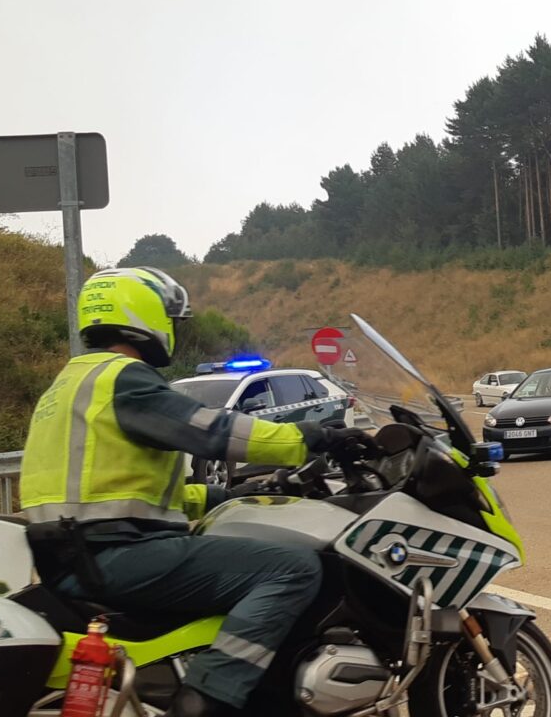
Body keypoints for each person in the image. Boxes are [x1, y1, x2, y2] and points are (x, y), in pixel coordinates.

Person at [19, 267, 374, 717]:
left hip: (80, 551)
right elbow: (213, 431)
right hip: (109, 556)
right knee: (293, 569)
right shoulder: (123, 379)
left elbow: (121, 491)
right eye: (170, 318)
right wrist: (314, 436)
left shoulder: (70, 383)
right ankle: (210, 699)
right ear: (143, 314)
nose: (172, 329)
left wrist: (234, 496)